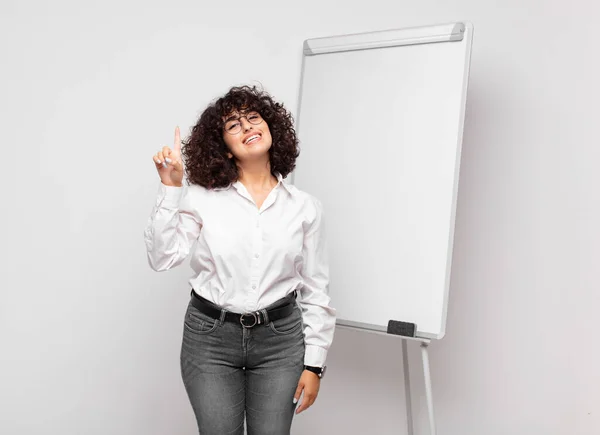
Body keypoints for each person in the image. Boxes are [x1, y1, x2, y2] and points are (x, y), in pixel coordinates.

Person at [143, 85, 336, 435]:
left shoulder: (305, 208)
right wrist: (171, 189)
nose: (246, 127)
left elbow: (316, 289)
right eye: (233, 125)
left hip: (280, 341)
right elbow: (162, 258)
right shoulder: (202, 199)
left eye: (253, 118)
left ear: (271, 129)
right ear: (225, 149)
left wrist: (315, 365)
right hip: (210, 339)